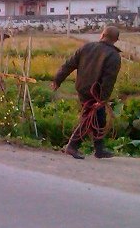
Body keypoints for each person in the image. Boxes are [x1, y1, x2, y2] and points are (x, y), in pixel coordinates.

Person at [50, 25, 123, 160]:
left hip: (82, 88)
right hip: (95, 93)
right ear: (116, 40)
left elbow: (68, 65)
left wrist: (57, 80)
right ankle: (72, 146)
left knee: (99, 119)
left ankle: (99, 150)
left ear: (102, 35)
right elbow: (108, 81)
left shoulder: (86, 47)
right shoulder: (113, 56)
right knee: (89, 118)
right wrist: (102, 100)